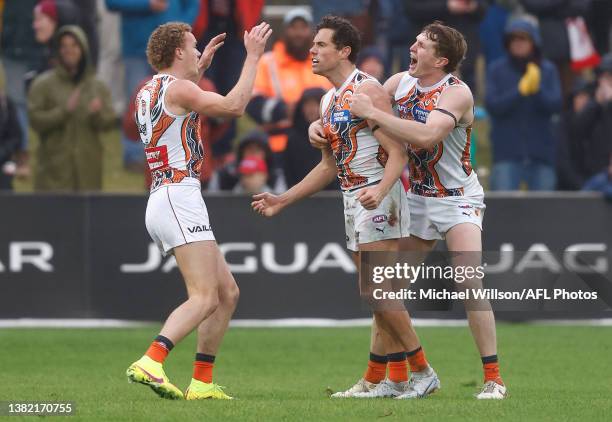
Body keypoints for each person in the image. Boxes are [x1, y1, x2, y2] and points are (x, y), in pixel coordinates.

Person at [252, 15, 439, 400]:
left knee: (378, 293)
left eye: (321, 45)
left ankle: (421, 370)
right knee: (378, 297)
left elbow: (398, 153)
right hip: (353, 197)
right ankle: (390, 378)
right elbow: (327, 167)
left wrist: (381, 192)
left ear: (344, 51)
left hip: (376, 195)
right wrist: (282, 199)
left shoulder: (368, 91)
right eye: (314, 44)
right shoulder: (327, 99)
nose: (313, 50)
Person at [342, 21, 507, 399]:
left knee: (468, 280)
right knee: (386, 289)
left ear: (441, 59)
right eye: (414, 41)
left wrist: (375, 113)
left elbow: (427, 135)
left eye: (421, 45)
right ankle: (381, 378)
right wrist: (320, 126)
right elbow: (358, 114)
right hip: (416, 197)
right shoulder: (400, 82)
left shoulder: (457, 93)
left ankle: (494, 379)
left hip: (457, 198)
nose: (412, 47)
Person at [125, 21, 272, 400]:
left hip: (164, 196)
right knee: (205, 296)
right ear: (177, 52)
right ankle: (151, 361)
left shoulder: (147, 90)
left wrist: (199, 68)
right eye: (192, 47)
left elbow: (174, 104)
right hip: (179, 196)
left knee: (226, 292)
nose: (197, 51)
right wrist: (252, 56)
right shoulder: (181, 88)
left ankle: (202, 383)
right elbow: (234, 106)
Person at [28, 25, 115, 191]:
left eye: (74, 45)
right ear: (58, 50)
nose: (69, 50)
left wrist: (97, 114)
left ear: (83, 49)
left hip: (88, 171)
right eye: (64, 46)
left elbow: (109, 122)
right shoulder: (43, 84)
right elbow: (35, 120)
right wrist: (63, 111)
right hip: (54, 171)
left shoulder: (96, 86)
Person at [486, 17, 562, 191]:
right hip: (507, 154)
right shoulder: (496, 69)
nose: (518, 43)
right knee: (504, 211)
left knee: (544, 212)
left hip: (541, 154)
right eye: (513, 39)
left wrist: (537, 90)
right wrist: (519, 92)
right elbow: (493, 106)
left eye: (523, 39)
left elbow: (556, 105)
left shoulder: (547, 70)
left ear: (533, 42)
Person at [247, 8, 331, 156]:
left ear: (312, 32)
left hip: (323, 143)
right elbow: (252, 104)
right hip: (279, 144)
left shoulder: (325, 62)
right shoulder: (268, 62)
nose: (298, 33)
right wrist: (286, 110)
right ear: (285, 31)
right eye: (293, 27)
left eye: (303, 27)